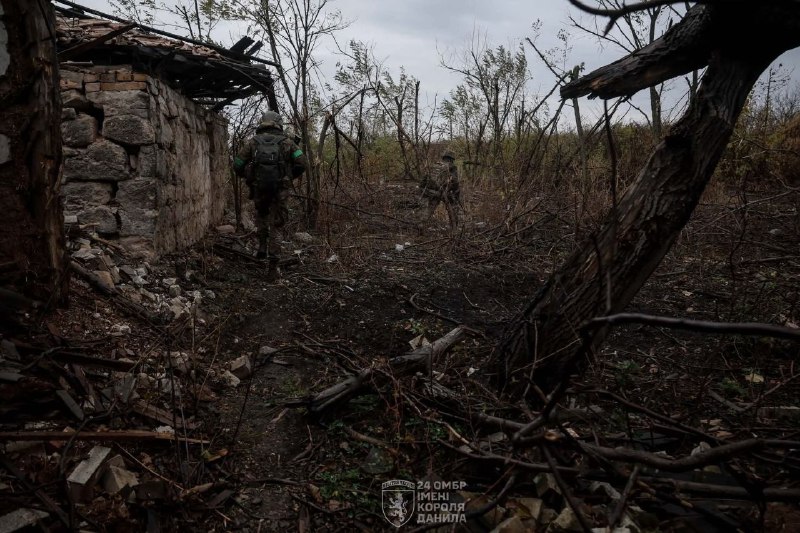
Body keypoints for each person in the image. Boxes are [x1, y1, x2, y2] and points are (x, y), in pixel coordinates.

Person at [234, 111, 307, 280]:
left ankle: (262, 246)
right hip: (280, 190)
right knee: (277, 225)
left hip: (259, 188)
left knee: (262, 216)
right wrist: (289, 177)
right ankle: (273, 267)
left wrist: (249, 177)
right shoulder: (288, 142)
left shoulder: (253, 142)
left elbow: (237, 164)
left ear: (263, 123)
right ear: (278, 124)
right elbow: (302, 162)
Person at [420, 150, 461, 229]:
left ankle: (421, 226)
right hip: (444, 192)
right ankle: (454, 227)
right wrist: (456, 195)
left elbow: (424, 179)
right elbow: (455, 182)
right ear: (452, 159)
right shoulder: (452, 167)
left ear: (443, 157)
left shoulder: (434, 165)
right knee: (453, 208)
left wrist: (423, 190)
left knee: (429, 210)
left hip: (432, 192)